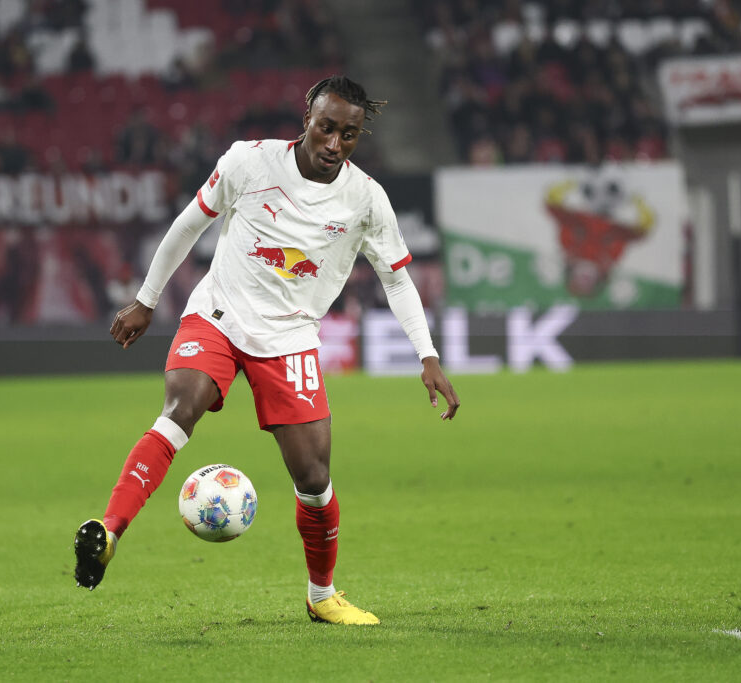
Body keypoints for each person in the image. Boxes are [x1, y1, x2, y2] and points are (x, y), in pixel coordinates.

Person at [73, 75, 460, 625]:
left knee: (314, 478)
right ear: (307, 116)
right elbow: (189, 225)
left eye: (348, 135)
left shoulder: (366, 199)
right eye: (326, 128)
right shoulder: (248, 162)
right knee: (180, 408)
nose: (334, 144)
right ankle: (109, 532)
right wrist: (146, 299)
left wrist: (428, 356)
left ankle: (322, 595)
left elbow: (396, 281)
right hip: (219, 316)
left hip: (290, 338)